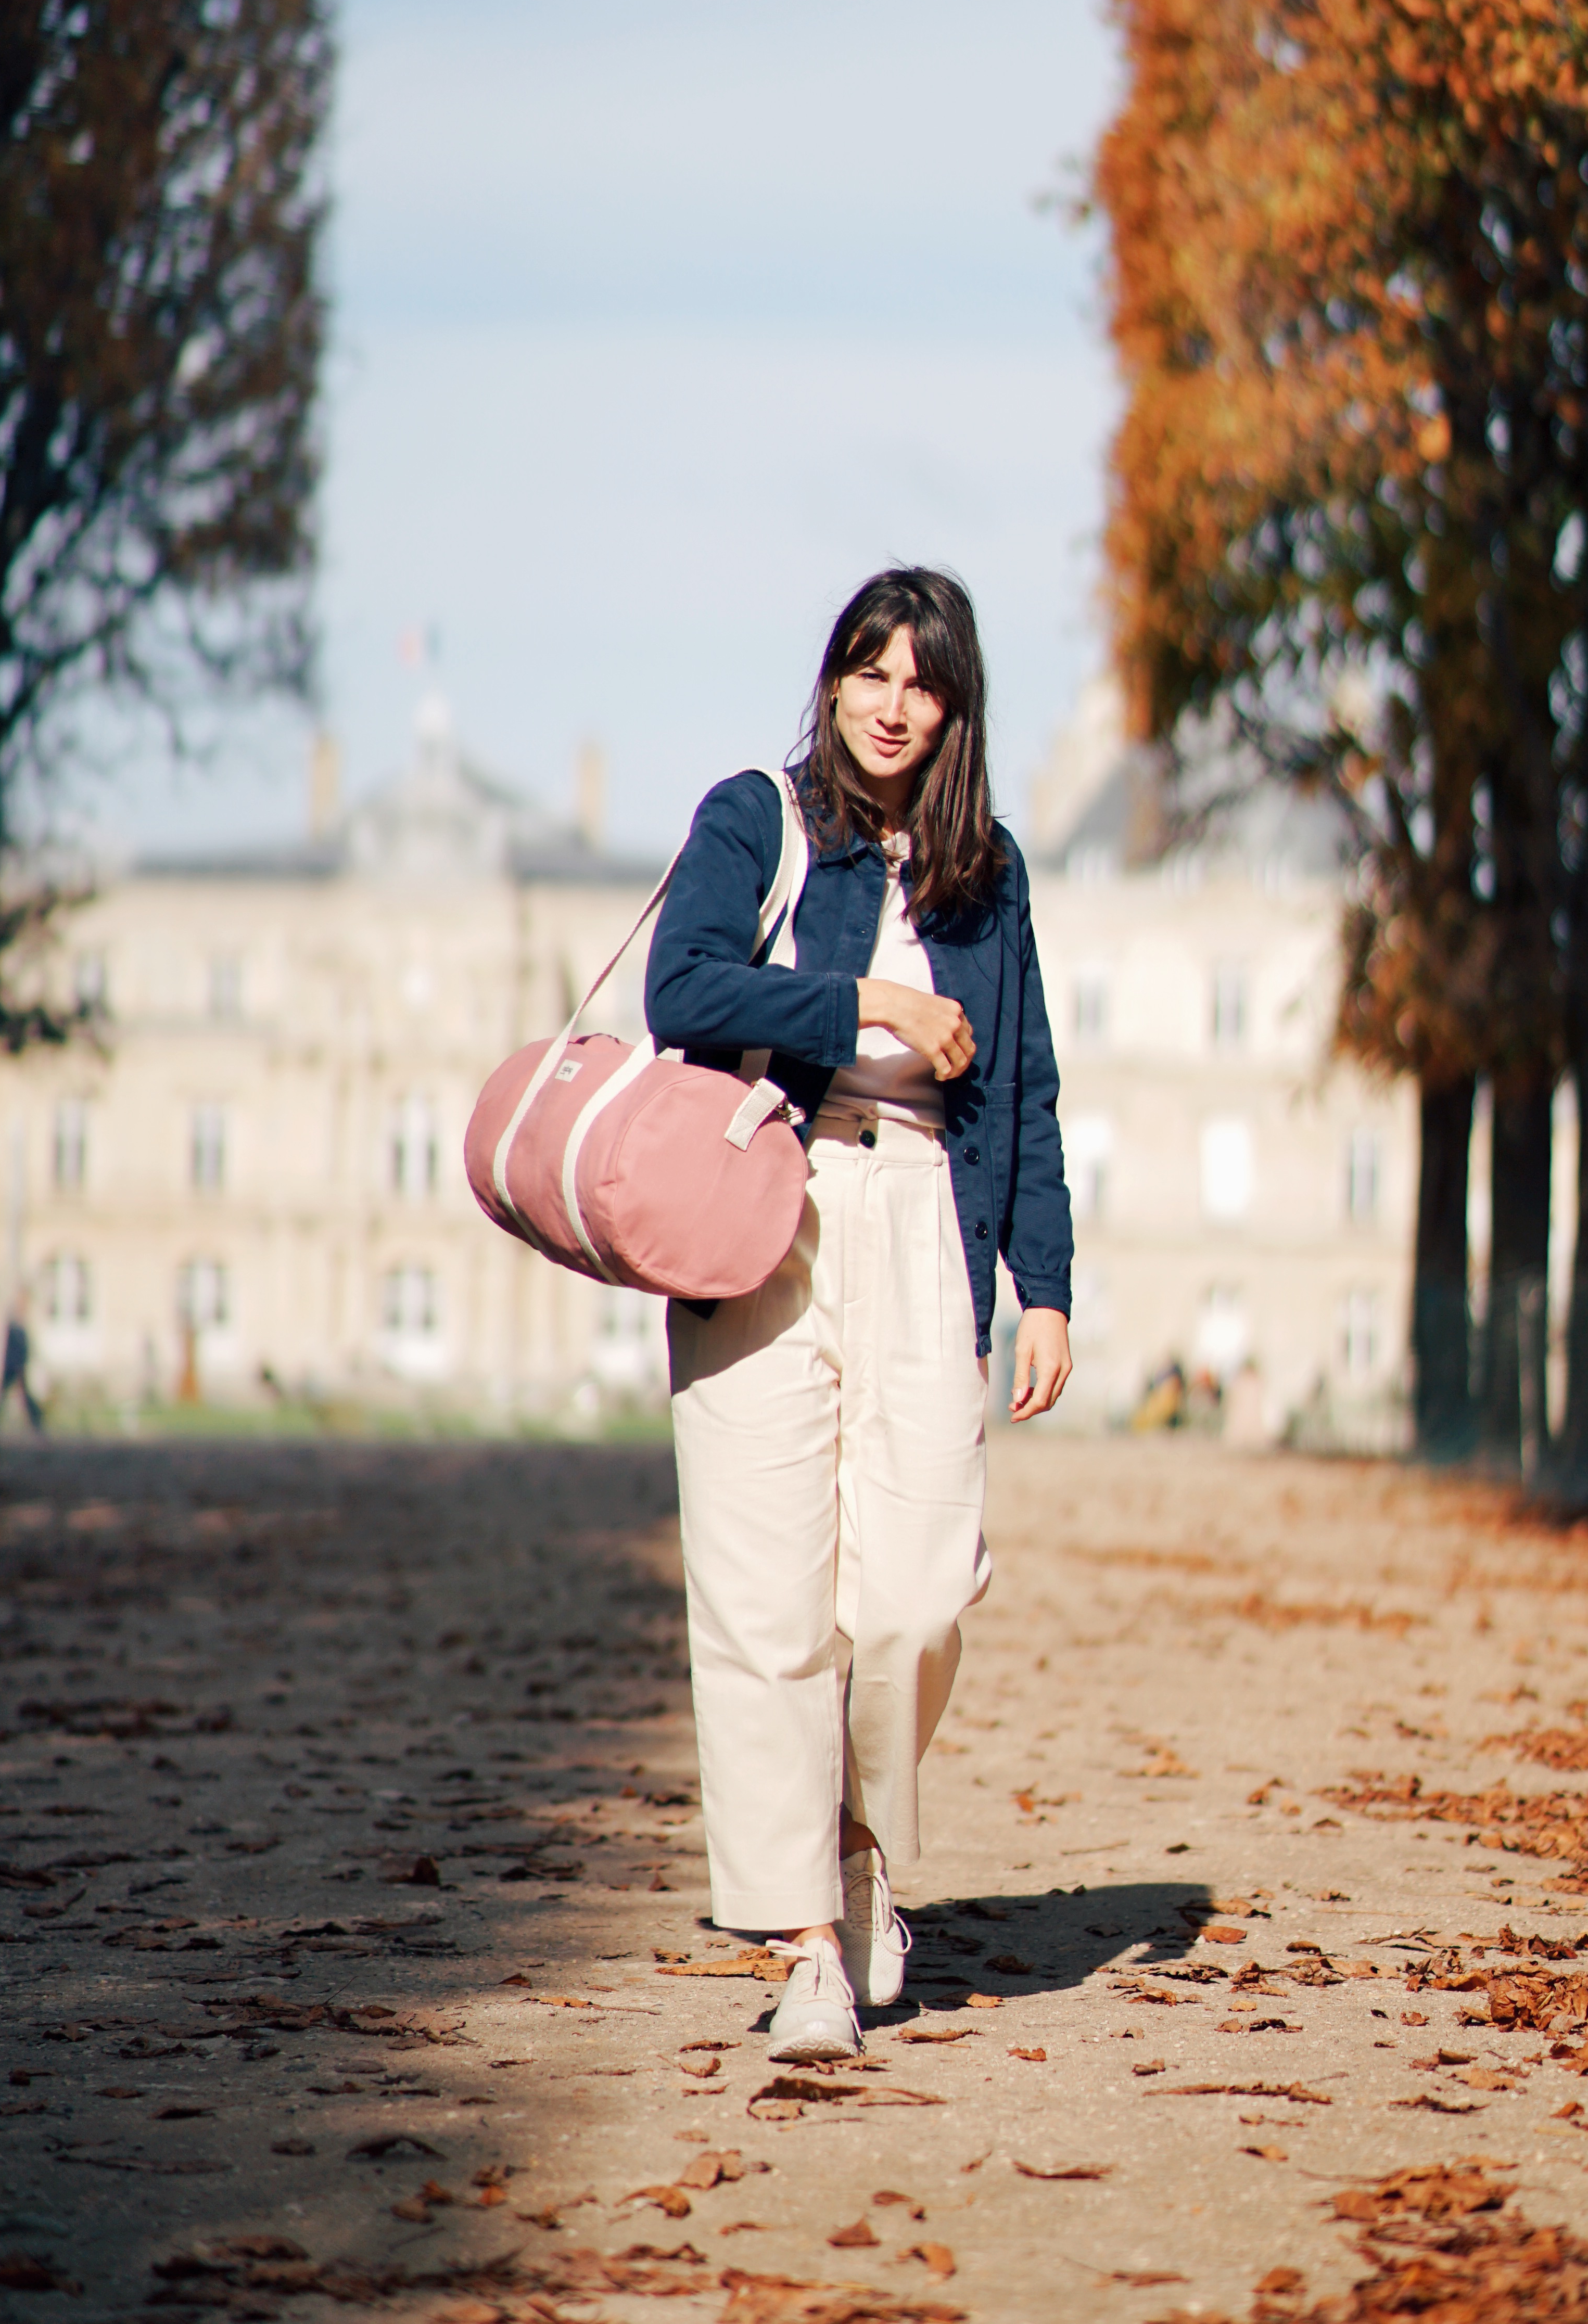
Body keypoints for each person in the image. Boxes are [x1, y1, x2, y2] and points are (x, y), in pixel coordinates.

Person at [644, 567, 1073, 2063]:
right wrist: (872, 1011)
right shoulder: (760, 815)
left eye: (921, 680)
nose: (891, 701)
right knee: (767, 1607)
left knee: (913, 1595)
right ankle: (808, 1947)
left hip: (926, 1229)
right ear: (831, 681)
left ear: (953, 708)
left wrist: (1046, 1288)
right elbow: (680, 992)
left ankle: (866, 1847)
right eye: (867, 670)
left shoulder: (988, 869)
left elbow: (1022, 1081)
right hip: (764, 1214)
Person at [0, 1301, 46, 1435]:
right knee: (7, 1394)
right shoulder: (15, 1327)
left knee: (14, 1395)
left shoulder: (18, 1327)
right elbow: (13, 1349)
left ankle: (36, 1418)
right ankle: (36, 1418)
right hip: (14, 1366)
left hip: (16, 1366)